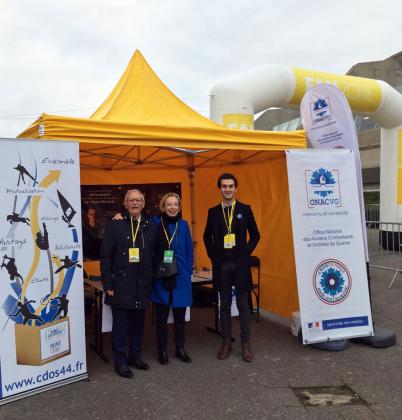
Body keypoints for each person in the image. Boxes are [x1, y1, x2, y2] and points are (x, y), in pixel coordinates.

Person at [100, 189, 157, 378]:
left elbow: (155, 254)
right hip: (121, 284)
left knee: (138, 325)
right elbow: (106, 257)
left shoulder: (150, 225)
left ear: (143, 203)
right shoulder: (115, 225)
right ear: (124, 203)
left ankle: (135, 357)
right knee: (121, 326)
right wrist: (108, 285)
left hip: (142, 284)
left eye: (138, 200)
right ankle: (121, 362)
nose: (135, 203)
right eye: (131, 200)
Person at [203, 173, 260, 362]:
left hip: (240, 265)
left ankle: (246, 344)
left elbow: (255, 235)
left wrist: (245, 253)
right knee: (224, 306)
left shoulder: (245, 209)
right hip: (222, 266)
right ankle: (226, 342)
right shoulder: (213, 212)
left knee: (243, 306)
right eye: (224, 186)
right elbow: (206, 236)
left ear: (236, 188)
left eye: (230, 186)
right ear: (220, 189)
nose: (227, 189)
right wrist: (213, 257)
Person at [151, 193, 193, 365]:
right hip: (162, 274)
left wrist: (189, 269)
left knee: (180, 316)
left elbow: (189, 249)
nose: (173, 207)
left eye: (176, 204)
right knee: (161, 316)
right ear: (163, 206)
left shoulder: (183, 225)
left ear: (179, 206)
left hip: (181, 275)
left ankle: (179, 348)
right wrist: (120, 215)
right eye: (169, 204)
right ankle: (161, 349)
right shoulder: (154, 223)